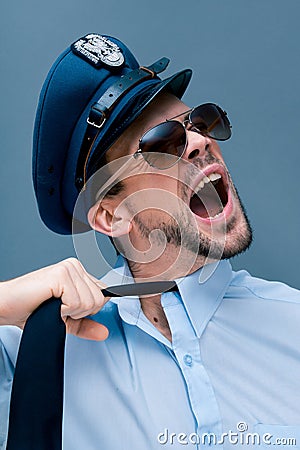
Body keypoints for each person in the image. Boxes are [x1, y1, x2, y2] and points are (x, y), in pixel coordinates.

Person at [1, 33, 300, 450]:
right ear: (110, 216)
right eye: (162, 142)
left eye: (199, 122)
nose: (199, 141)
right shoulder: (35, 357)